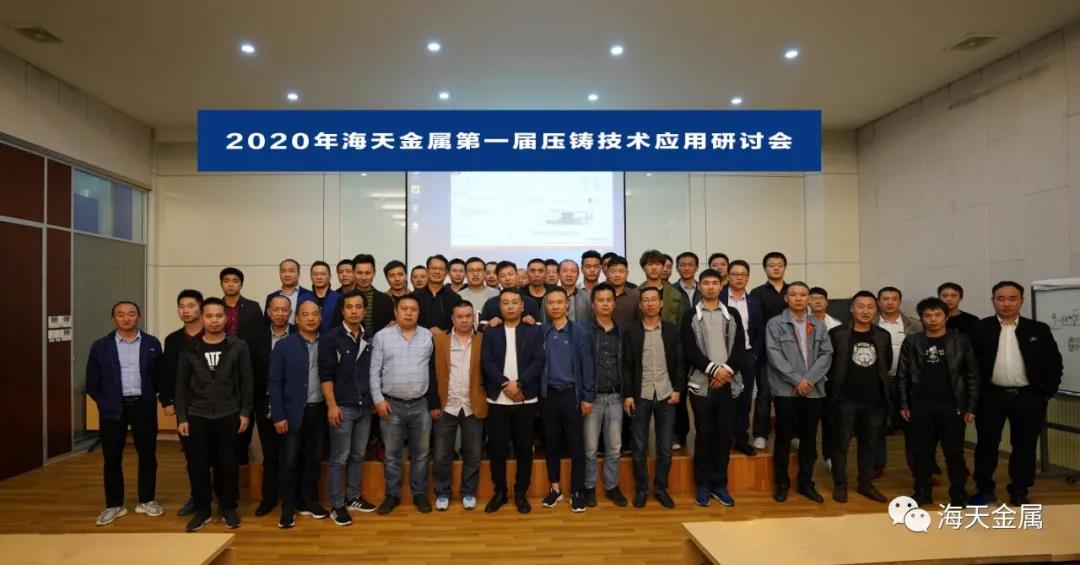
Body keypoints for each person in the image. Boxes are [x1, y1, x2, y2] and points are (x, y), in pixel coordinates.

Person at [969, 281, 1063, 506]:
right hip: (990, 397)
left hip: (1028, 397)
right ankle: (984, 488)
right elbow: (968, 364)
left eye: (1012, 298)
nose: (1006, 303)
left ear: (1021, 301)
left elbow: (1054, 363)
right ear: (993, 301)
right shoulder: (980, 328)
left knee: (1025, 446)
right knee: (987, 444)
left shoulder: (1038, 329)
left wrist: (1046, 392)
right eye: (1001, 299)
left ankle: (1019, 490)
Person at [175, 297, 253, 531]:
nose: (214, 320)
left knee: (227, 464)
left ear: (226, 318)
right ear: (202, 318)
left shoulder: (238, 346)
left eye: (219, 316)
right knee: (197, 465)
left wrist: (245, 412)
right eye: (209, 316)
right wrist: (182, 417)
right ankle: (202, 510)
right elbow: (181, 385)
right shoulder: (190, 348)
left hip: (229, 413)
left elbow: (247, 381)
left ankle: (228, 507)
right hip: (197, 415)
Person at [86, 301, 164, 526]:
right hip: (113, 408)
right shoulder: (100, 346)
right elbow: (92, 382)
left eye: (131, 314)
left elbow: (159, 376)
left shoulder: (151, 343)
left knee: (147, 454)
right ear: (114, 319)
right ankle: (114, 504)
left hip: (143, 405)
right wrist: (105, 402)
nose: (126, 318)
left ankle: (146, 500)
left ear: (138, 317)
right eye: (120, 314)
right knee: (111, 457)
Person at [898, 297, 980, 508]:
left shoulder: (960, 340)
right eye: (928, 315)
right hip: (920, 405)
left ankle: (958, 493)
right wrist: (904, 404)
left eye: (937, 315)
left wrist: (971, 406)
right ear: (921, 318)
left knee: (954, 452)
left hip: (952, 405)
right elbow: (902, 375)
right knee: (922, 451)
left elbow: (971, 374)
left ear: (946, 317)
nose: (933, 319)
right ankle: (922, 491)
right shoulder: (912, 341)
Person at [370, 295, 439, 515]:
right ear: (396, 312)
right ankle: (392, 494)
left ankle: (419, 493)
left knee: (421, 454)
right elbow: (374, 371)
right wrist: (378, 400)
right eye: (404, 309)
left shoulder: (427, 336)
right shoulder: (382, 336)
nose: (408, 313)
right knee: (392, 455)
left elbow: (433, 370)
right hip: (391, 406)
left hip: (420, 405)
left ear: (419, 312)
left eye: (413, 309)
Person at [682, 269, 746, 508]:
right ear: (700, 286)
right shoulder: (690, 314)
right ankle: (703, 484)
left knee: (723, 436)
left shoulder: (732, 314)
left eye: (714, 283)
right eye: (706, 283)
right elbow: (690, 349)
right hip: (702, 385)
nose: (710, 287)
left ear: (722, 286)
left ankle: (720, 484)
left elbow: (739, 347)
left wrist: (725, 371)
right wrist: (712, 370)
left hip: (728, 383)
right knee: (704, 435)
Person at [766, 282, 833, 503]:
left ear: (809, 299)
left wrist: (809, 380)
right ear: (786, 298)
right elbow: (774, 355)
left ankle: (806, 483)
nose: (798, 298)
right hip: (786, 390)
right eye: (793, 294)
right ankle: (782, 484)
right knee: (783, 437)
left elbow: (826, 354)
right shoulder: (775, 323)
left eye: (803, 295)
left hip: (813, 390)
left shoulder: (819, 325)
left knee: (809, 438)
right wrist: (797, 380)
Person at [481, 289, 545, 514]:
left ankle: (520, 493)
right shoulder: (491, 331)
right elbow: (486, 362)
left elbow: (538, 361)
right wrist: (505, 385)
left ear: (522, 306)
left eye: (514, 302)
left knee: (524, 449)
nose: (510, 306)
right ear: (499, 307)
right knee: (497, 449)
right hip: (498, 400)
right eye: (505, 303)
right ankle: (500, 492)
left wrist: (519, 384)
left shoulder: (533, 330)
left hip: (525, 399)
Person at [268, 300, 329, 528]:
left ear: (320, 318)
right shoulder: (284, 346)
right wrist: (278, 415)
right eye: (305, 314)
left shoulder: (327, 343)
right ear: (297, 318)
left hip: (319, 410)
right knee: (289, 461)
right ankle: (288, 507)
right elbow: (275, 383)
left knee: (314, 459)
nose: (311, 318)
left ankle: (309, 501)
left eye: (315, 314)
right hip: (292, 412)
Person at [827, 291, 892, 504]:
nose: (865, 311)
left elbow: (886, 364)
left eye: (870, 307)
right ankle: (840, 484)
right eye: (860, 306)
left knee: (869, 444)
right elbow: (830, 364)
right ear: (851, 309)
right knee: (841, 443)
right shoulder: (837, 334)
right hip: (845, 399)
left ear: (876, 310)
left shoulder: (883, 335)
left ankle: (865, 484)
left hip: (875, 400)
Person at [319, 291, 378, 526]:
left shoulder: (370, 337)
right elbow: (326, 375)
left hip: (365, 407)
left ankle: (353, 497)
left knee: (358, 455)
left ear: (364, 310)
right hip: (342, 407)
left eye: (358, 307)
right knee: (339, 457)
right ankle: (337, 505)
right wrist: (331, 405)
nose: (354, 311)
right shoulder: (331, 338)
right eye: (349, 307)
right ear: (343, 310)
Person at [623, 287, 684, 509]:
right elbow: (626, 365)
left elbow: (680, 362)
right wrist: (628, 394)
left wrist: (678, 389)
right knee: (639, 447)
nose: (650, 304)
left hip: (666, 393)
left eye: (653, 300)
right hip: (641, 395)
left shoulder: (672, 331)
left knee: (665, 447)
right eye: (645, 300)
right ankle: (641, 489)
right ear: (640, 305)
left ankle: (660, 488)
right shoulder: (631, 331)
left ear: (661, 304)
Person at [539, 288, 596, 513]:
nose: (554, 306)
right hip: (549, 395)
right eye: (550, 303)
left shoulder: (579, 332)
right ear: (546, 306)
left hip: (573, 394)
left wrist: (588, 396)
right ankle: (555, 488)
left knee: (576, 445)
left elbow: (587, 365)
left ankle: (577, 491)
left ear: (567, 305)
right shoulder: (541, 332)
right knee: (551, 443)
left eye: (559, 302)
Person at [431, 302, 488, 511]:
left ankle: (468, 492)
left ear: (473, 318)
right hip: (447, 404)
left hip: (473, 403)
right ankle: (442, 493)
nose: (464, 320)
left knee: (473, 453)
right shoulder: (440, 340)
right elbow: (431, 371)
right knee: (441, 454)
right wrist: (434, 402)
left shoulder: (483, 340)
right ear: (452, 319)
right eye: (460, 316)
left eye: (468, 316)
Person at [583, 283, 628, 507]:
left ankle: (612, 486)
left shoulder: (622, 331)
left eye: (609, 300)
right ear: (593, 304)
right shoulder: (584, 331)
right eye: (600, 300)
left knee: (614, 447)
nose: (605, 304)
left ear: (614, 303)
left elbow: (627, 364)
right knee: (590, 448)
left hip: (616, 397)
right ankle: (589, 486)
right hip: (592, 398)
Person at [250, 294, 293, 517]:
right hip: (264, 400)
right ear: (268, 312)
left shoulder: (298, 334)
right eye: (275, 309)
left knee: (291, 453)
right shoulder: (256, 336)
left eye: (284, 310)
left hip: (292, 402)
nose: (280, 314)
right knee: (269, 453)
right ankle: (269, 498)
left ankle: (290, 498)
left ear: (290, 312)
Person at [873, 286, 923, 477]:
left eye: (894, 299)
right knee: (877, 424)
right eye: (885, 298)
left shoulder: (914, 325)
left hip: (908, 382)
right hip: (880, 382)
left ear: (900, 302)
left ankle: (917, 467)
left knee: (913, 427)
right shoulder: (870, 323)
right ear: (879, 302)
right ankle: (877, 465)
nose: (890, 302)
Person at [220, 267, 268, 466]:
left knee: (246, 423)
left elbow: (260, 339)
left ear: (241, 284)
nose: (231, 284)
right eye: (227, 281)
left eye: (235, 281)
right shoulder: (215, 307)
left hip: (248, 366)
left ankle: (243, 461)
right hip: (221, 369)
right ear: (221, 284)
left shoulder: (253, 307)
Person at [720, 260, 765, 455]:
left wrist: (754, 354)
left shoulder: (754, 301)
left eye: (743, 274)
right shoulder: (719, 297)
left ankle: (741, 438)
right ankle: (724, 438)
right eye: (735, 274)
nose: (739, 277)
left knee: (744, 400)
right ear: (728, 276)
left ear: (747, 277)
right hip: (722, 356)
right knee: (723, 399)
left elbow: (759, 330)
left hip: (747, 355)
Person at [750, 252, 789, 450]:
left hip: (790, 352)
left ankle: (790, 433)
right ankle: (760, 433)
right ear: (765, 268)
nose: (776, 268)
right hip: (765, 351)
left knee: (788, 396)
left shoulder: (793, 291)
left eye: (780, 265)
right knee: (764, 393)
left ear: (784, 268)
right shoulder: (757, 293)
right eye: (772, 265)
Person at [478, 261, 540, 327]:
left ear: (517, 275)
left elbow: (540, 326)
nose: (507, 279)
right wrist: (489, 324)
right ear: (498, 279)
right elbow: (480, 328)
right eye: (502, 276)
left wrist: (533, 323)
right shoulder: (490, 303)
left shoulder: (531, 302)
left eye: (510, 274)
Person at [412, 254, 463, 333]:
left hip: (447, 339)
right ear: (427, 271)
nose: (437, 272)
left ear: (446, 273)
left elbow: (459, 324)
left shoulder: (455, 298)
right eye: (434, 268)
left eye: (441, 269)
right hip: (418, 339)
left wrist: (444, 334)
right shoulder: (414, 297)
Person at [350, 254, 395, 332]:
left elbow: (392, 326)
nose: (363, 277)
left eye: (367, 273)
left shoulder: (386, 300)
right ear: (353, 273)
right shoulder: (344, 299)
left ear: (374, 273)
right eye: (359, 273)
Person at [639, 249, 684, 326]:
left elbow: (680, 322)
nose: (654, 268)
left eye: (657, 264)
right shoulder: (635, 294)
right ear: (643, 268)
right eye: (650, 264)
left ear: (663, 267)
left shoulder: (675, 294)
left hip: (670, 333)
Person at [539, 259, 591, 324]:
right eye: (565, 271)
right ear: (558, 274)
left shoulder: (587, 297)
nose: (569, 275)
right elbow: (543, 323)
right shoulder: (548, 297)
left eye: (573, 271)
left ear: (578, 275)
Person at [265, 259, 314, 325]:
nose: (287, 274)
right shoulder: (271, 297)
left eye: (291, 271)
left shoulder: (310, 295)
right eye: (283, 271)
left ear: (298, 274)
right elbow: (267, 322)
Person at [458, 256, 498, 327]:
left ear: (485, 273)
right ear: (465, 274)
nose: (475, 274)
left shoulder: (498, 294)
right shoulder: (457, 297)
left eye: (479, 270)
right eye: (471, 270)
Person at [606, 255, 640, 328]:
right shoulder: (599, 294)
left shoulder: (635, 296)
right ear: (607, 273)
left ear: (627, 273)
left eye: (621, 271)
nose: (617, 275)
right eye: (613, 271)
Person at [308, 261, 342, 332]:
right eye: (315, 274)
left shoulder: (339, 298)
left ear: (330, 276)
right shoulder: (303, 299)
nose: (319, 277)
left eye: (323, 274)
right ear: (311, 277)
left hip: (333, 338)